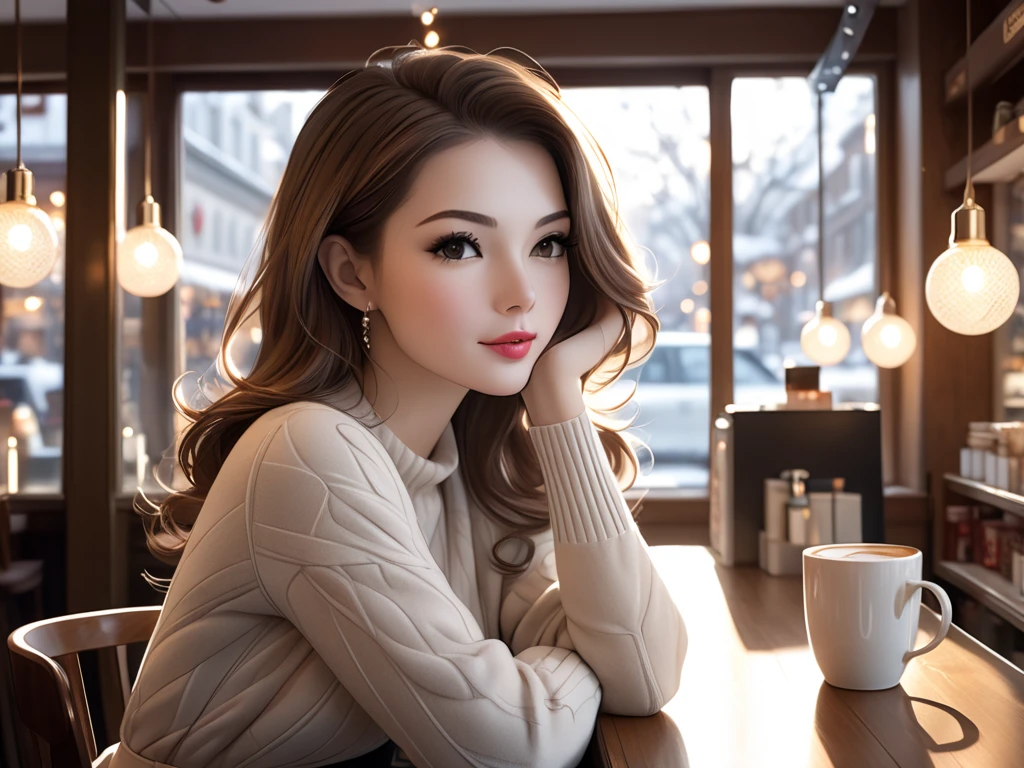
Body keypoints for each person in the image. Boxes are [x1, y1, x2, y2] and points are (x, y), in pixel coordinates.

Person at [101, 45, 687, 768]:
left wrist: (557, 394)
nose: (521, 293)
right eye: (460, 245)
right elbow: (514, 747)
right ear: (352, 273)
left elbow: (645, 671)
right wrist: (567, 657)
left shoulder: (468, 462)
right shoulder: (307, 452)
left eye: (550, 242)